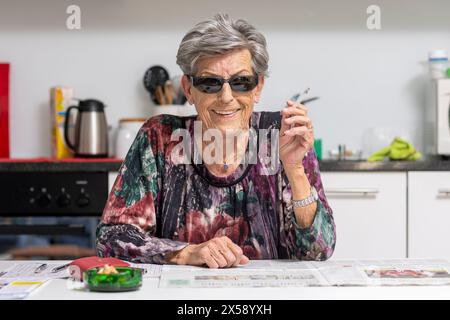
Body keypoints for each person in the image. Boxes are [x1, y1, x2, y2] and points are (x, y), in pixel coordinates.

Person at [97, 13, 336, 268]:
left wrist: (295, 169)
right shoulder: (159, 137)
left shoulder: (283, 135)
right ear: (188, 89)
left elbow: (318, 251)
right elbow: (111, 238)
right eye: (210, 83)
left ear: (258, 87)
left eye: (241, 82)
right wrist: (187, 253)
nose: (226, 97)